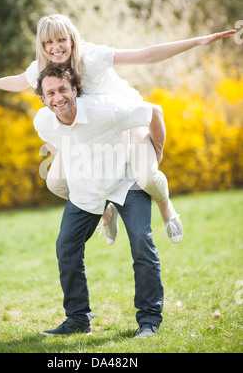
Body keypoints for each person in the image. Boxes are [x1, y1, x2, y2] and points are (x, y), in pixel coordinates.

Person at [0, 14, 235, 244]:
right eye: (48, 42)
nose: (55, 47)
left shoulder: (92, 57)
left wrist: (198, 41)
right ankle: (107, 213)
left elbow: (148, 55)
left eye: (61, 39)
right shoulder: (42, 68)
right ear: (41, 45)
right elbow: (18, 81)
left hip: (125, 123)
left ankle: (166, 209)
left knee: (146, 177)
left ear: (72, 39)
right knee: (56, 182)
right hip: (89, 134)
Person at [34, 63, 165, 338]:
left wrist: (157, 154)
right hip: (87, 189)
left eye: (63, 90)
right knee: (66, 246)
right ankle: (78, 318)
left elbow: (154, 111)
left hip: (125, 182)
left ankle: (149, 319)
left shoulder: (104, 109)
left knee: (141, 241)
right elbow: (56, 142)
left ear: (75, 90)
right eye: (51, 93)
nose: (58, 98)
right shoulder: (42, 121)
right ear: (43, 98)